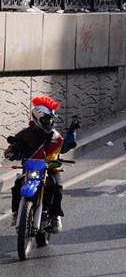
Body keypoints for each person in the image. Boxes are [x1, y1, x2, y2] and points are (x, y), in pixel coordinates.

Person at [4, 96, 79, 232]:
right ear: (38, 118)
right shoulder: (25, 134)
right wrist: (11, 153)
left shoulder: (55, 136)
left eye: (50, 119)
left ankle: (55, 216)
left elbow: (65, 147)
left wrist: (72, 132)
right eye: (45, 119)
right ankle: (16, 213)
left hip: (49, 168)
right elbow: (15, 146)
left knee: (56, 185)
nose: (48, 122)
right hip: (30, 168)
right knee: (17, 185)